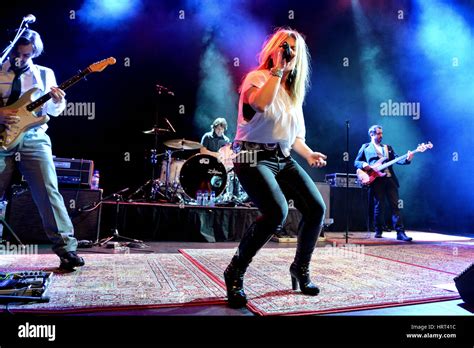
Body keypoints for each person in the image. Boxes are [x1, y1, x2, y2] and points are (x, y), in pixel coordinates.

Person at [223, 28, 327, 308]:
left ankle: (300, 269)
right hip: (250, 156)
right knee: (276, 212)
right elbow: (259, 104)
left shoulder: (293, 94)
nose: (287, 52)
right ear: (273, 48)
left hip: (282, 157)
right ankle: (235, 271)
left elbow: (295, 138)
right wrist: (277, 71)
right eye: (284, 46)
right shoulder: (256, 79)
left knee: (317, 208)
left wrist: (308, 154)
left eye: (293, 49)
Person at [0, 29, 84, 270]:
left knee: (48, 191)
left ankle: (67, 250)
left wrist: (58, 101)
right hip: (1, 138)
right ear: (12, 49)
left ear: (34, 53)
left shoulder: (45, 75)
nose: (22, 60)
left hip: (33, 137)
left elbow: (54, 113)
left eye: (27, 55)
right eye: (18, 54)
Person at [354, 125, 414, 241]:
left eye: (382, 133)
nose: (381, 135)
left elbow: (397, 160)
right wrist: (365, 165)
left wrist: (408, 158)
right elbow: (356, 162)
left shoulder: (388, 148)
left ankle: (400, 232)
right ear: (371, 134)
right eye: (378, 133)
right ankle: (378, 229)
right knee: (379, 206)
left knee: (395, 206)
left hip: (390, 179)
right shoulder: (366, 147)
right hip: (376, 180)